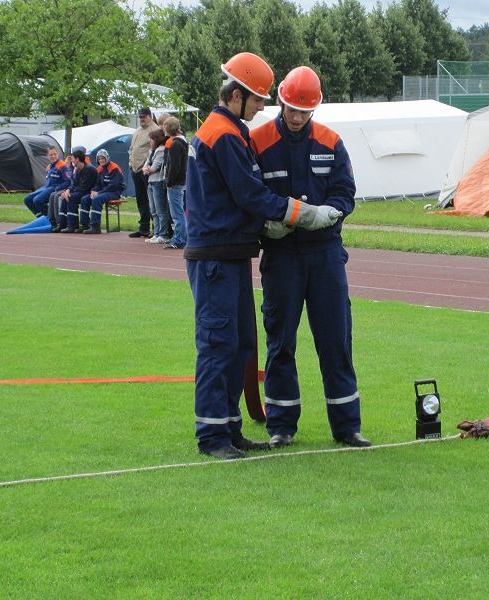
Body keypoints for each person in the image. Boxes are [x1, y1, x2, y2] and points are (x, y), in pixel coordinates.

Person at [184, 51, 342, 460]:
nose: (261, 107)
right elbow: (250, 194)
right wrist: (302, 214)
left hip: (230, 252)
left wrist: (266, 224)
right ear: (236, 95)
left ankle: (230, 427)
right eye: (257, 99)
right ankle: (213, 435)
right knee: (218, 343)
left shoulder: (226, 131)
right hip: (216, 255)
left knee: (237, 344)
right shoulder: (224, 134)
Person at [250, 66, 370, 449]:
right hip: (281, 254)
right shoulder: (258, 140)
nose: (297, 117)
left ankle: (347, 426)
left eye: (304, 111)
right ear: (281, 101)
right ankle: (281, 425)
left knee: (336, 339)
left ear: (315, 109)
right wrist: (267, 225)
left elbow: (345, 193)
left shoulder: (331, 142)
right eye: (290, 108)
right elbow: (250, 193)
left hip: (324, 254)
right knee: (280, 341)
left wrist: (325, 214)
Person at [128, 107, 157, 238]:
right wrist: (130, 163)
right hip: (135, 168)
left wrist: (148, 166)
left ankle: (156, 228)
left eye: (144, 117)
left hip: (146, 170)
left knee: (152, 200)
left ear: (150, 116)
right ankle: (143, 227)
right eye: (140, 117)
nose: (141, 119)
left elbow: (156, 151)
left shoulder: (155, 130)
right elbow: (132, 148)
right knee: (141, 199)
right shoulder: (137, 131)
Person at [80, 148, 124, 234]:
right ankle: (85, 225)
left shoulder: (114, 168)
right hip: (103, 192)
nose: (101, 160)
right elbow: (97, 184)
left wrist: (98, 193)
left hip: (115, 192)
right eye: (99, 159)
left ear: (107, 158)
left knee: (97, 199)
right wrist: (93, 191)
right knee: (84, 199)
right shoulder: (99, 169)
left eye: (103, 158)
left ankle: (95, 226)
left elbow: (113, 186)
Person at [58, 147, 98, 233]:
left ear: (77, 159)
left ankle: (74, 225)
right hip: (81, 191)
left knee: (71, 197)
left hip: (89, 192)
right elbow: (74, 184)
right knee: (65, 197)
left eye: (72, 159)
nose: (71, 161)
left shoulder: (89, 169)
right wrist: (68, 190)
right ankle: (63, 223)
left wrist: (70, 193)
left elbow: (84, 187)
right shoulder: (78, 169)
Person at [142, 128, 172, 244]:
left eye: (152, 139)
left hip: (158, 182)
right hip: (151, 182)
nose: (150, 141)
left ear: (157, 140)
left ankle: (163, 234)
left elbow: (154, 167)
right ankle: (156, 233)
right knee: (153, 210)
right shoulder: (151, 151)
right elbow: (145, 166)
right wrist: (146, 169)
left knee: (161, 210)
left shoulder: (161, 151)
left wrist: (147, 169)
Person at [162, 117, 188, 249]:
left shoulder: (175, 144)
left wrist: (169, 181)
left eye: (164, 126)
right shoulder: (182, 142)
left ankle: (179, 239)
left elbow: (175, 166)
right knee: (178, 212)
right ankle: (179, 236)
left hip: (175, 183)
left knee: (177, 213)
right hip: (180, 181)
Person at [23, 146, 70, 218]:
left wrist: (58, 188)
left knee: (37, 200)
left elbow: (68, 181)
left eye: (55, 154)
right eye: (51, 155)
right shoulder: (49, 166)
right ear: (47, 156)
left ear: (58, 154)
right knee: (27, 199)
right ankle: (40, 217)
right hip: (46, 187)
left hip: (55, 188)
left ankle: (51, 218)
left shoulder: (62, 165)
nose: (53, 156)